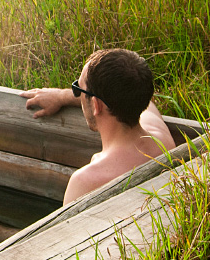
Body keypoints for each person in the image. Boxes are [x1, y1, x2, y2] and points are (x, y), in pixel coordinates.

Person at [20, 48, 176, 204]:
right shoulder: (162, 138)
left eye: (78, 89)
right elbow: (146, 104)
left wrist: (63, 96)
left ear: (96, 105)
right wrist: (62, 96)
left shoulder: (86, 182)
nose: (76, 94)